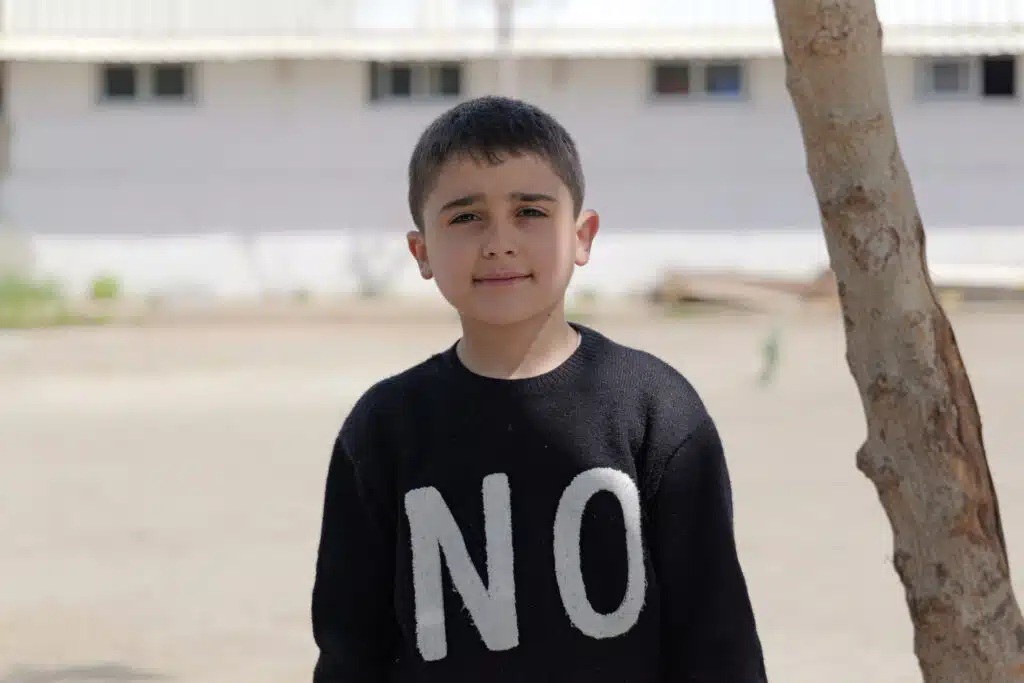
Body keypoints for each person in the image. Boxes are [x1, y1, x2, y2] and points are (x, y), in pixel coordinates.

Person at [311, 95, 767, 682]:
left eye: (529, 211)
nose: (500, 241)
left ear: (583, 235)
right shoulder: (383, 429)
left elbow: (717, 640)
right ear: (421, 251)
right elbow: (351, 649)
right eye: (466, 216)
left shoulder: (656, 409)